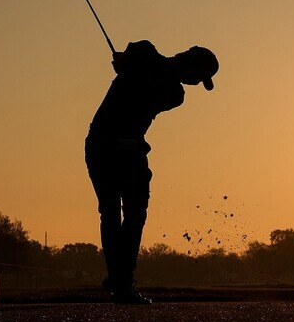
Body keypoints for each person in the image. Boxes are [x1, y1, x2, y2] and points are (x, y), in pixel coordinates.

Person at [85, 40, 219, 304]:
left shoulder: (174, 94)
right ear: (189, 62)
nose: (194, 83)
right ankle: (121, 281)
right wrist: (127, 65)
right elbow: (140, 54)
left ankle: (121, 280)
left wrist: (128, 67)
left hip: (128, 148)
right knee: (111, 211)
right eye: (197, 76)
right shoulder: (144, 54)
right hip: (104, 144)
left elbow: (150, 81)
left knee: (133, 214)